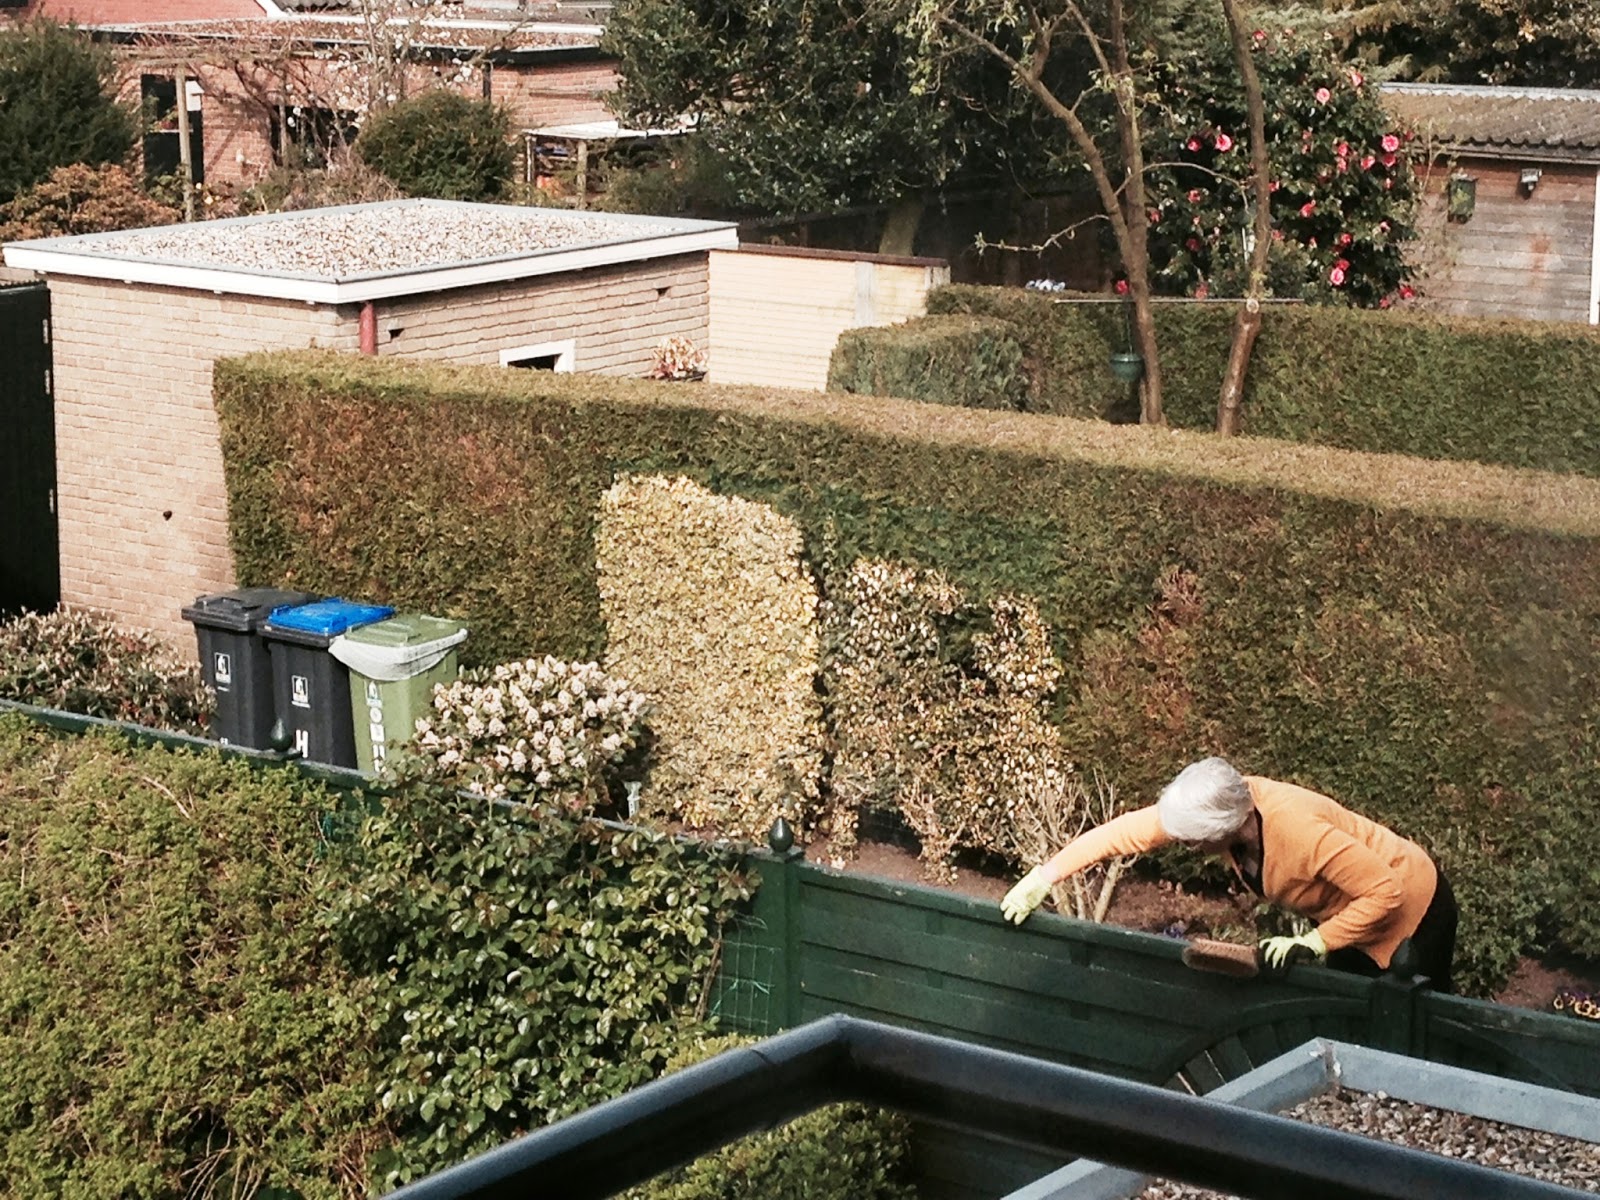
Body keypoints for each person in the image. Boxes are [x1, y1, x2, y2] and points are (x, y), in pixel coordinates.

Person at [1000, 757, 1458, 993]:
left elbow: (1385, 892)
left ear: (1226, 829)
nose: (1188, 848)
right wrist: (1046, 875)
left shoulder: (1298, 830)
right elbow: (1124, 833)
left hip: (1414, 909)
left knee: (1413, 1021)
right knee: (1352, 1008)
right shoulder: (1223, 805)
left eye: (1194, 842)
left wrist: (1313, 942)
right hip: (1353, 920)